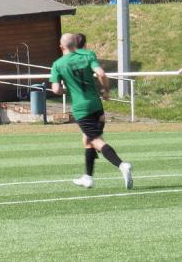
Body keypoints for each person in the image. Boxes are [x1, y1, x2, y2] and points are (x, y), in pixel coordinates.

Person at [50, 33, 132, 189]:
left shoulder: (58, 64)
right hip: (96, 105)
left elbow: (55, 89)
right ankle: (88, 177)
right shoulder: (87, 56)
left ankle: (121, 165)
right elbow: (101, 73)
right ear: (76, 44)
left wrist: (67, 90)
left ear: (61, 47)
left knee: (96, 141)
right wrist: (106, 90)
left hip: (81, 109)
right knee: (87, 140)